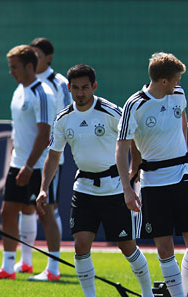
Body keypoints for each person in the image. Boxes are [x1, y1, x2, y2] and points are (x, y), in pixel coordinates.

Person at [37, 64, 153, 297]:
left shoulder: (111, 112)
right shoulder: (63, 118)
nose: (80, 93)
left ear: (94, 87)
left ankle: (147, 293)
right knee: (80, 246)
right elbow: (53, 157)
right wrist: (43, 189)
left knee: (128, 247)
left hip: (113, 189)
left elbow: (133, 140)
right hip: (84, 189)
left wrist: (134, 169)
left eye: (85, 88)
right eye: (76, 88)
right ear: (69, 88)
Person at [116, 52, 188, 297]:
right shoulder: (134, 104)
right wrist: (127, 187)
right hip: (153, 182)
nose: (179, 84)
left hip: (183, 176)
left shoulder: (179, 95)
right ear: (163, 81)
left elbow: (182, 119)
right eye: (176, 79)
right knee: (165, 249)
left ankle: (182, 291)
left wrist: (184, 151)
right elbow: (122, 146)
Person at [0, 45, 60, 281]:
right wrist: (18, 159)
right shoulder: (18, 91)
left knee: (46, 214)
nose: (10, 71)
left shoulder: (43, 93)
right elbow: (18, 128)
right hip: (18, 163)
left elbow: (45, 133)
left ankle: (53, 270)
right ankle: (8, 268)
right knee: (7, 212)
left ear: (29, 66)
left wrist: (29, 165)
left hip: (39, 165)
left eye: (14, 67)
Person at [8, 37, 71, 279]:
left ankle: (53, 267)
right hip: (24, 156)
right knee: (25, 209)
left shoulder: (58, 84)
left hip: (48, 158)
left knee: (48, 209)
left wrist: (58, 149)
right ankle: (25, 262)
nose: (33, 59)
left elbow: (67, 117)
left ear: (48, 58)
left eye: (37, 55)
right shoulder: (22, 86)